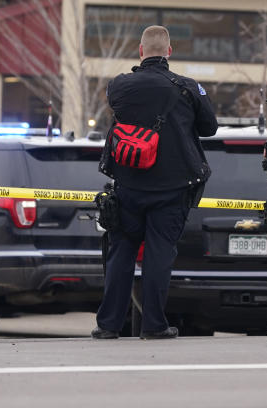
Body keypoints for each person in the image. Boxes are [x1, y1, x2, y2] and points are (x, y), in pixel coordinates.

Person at [93, 25, 218, 339]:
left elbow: (119, 108)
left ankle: (108, 325)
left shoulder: (120, 86)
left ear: (140, 51)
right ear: (169, 52)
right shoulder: (188, 88)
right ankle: (153, 325)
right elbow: (210, 127)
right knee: (159, 255)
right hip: (171, 189)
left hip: (128, 186)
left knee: (120, 253)